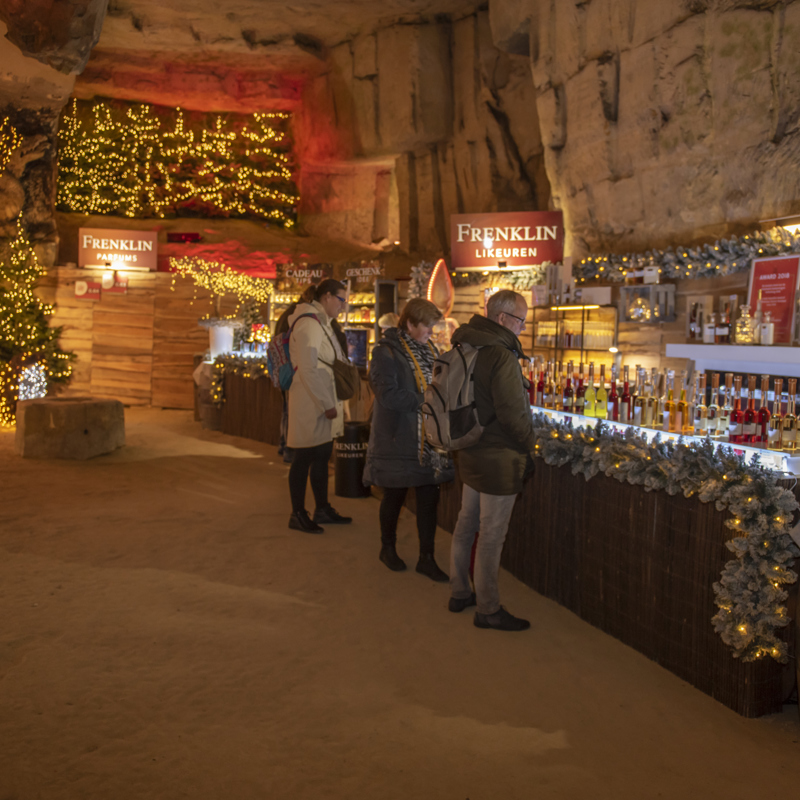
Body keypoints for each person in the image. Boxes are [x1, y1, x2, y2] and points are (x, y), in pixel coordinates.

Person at [447, 289, 536, 631]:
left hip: (468, 449)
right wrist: (530, 444)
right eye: (520, 321)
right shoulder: (501, 355)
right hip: (498, 457)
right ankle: (487, 608)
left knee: (465, 524)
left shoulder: (464, 344)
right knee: (491, 535)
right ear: (502, 319)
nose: (522, 329)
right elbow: (513, 414)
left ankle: (459, 591)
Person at [364, 297, 454, 581]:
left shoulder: (429, 348)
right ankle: (386, 547)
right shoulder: (385, 351)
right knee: (395, 493)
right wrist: (427, 401)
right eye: (426, 326)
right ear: (410, 323)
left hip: (429, 436)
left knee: (429, 496)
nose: (432, 331)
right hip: (399, 435)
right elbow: (387, 395)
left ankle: (426, 557)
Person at [286, 279, 353, 533]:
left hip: (321, 400)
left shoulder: (322, 323)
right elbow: (308, 369)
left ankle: (322, 508)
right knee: (304, 456)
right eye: (340, 299)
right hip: (311, 402)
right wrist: (327, 404)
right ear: (326, 297)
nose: (343, 305)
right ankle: (298, 513)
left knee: (322, 455)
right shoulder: (309, 325)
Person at [274, 285, 316, 463]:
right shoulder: (299, 317)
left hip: (283, 368)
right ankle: (290, 449)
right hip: (293, 369)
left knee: (286, 408)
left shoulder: (287, 314)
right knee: (293, 409)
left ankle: (283, 444)